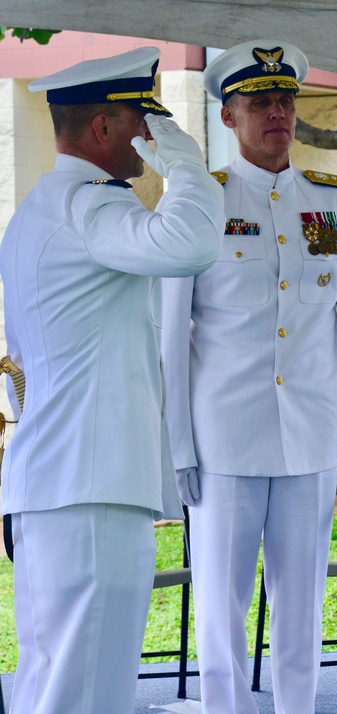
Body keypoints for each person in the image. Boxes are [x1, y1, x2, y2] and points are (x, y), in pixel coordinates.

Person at [160, 39, 337, 714]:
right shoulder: (200, 203)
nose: (277, 113)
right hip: (224, 440)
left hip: (310, 437)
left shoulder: (333, 203)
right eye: (258, 102)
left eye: (284, 100)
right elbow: (172, 337)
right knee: (220, 614)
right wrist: (176, 447)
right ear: (228, 117)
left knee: (300, 610)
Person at [0, 47, 223, 713]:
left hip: (64, 485)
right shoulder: (86, 209)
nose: (147, 137)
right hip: (88, 490)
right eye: (142, 120)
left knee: (54, 686)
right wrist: (182, 158)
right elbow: (191, 242)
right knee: (87, 692)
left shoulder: (45, 207)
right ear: (103, 127)